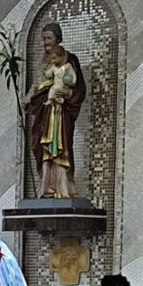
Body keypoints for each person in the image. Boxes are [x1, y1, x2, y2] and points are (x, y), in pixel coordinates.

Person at [23, 22, 86, 198]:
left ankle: (64, 188)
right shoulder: (45, 60)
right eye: (43, 39)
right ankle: (46, 188)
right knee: (43, 149)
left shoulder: (70, 60)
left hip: (61, 113)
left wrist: (65, 93)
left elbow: (78, 88)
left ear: (57, 38)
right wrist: (29, 99)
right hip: (45, 113)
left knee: (62, 147)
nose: (46, 42)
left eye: (49, 38)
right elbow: (37, 85)